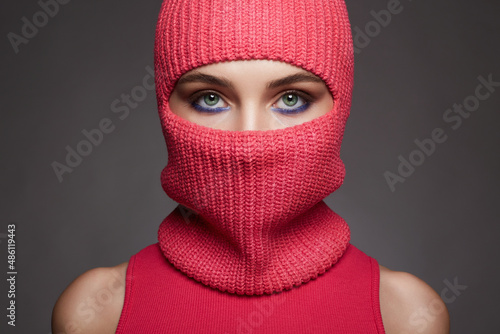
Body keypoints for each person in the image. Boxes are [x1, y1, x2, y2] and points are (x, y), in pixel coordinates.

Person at [52, 0, 450, 333]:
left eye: (291, 99)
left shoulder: (407, 316)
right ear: (163, 106)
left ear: (341, 106)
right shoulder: (95, 312)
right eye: (210, 99)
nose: (249, 138)